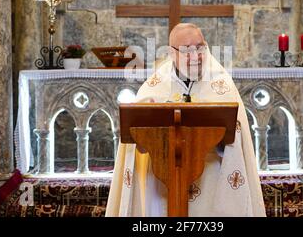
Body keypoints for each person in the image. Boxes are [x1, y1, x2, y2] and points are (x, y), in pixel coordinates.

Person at [106, 23, 266, 216]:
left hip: (209, 174)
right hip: (163, 172)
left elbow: (235, 134)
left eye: (200, 47)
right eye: (187, 50)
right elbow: (136, 138)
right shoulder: (156, 85)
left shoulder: (221, 83)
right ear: (172, 53)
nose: (196, 55)